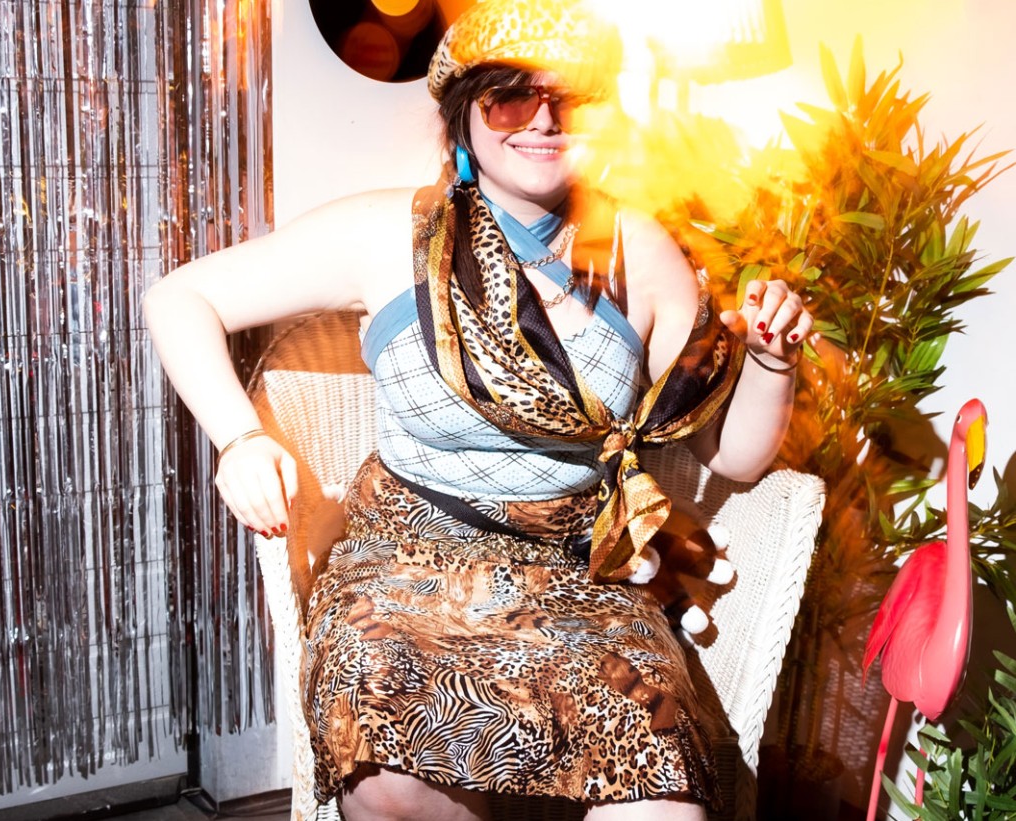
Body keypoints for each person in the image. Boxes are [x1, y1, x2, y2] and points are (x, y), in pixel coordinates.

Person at [144, 1, 813, 818]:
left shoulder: (637, 248)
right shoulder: (387, 232)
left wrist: (771, 360)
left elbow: (733, 458)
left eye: (568, 99)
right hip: (403, 569)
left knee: (663, 798)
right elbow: (179, 298)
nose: (543, 120)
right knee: (394, 785)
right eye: (509, 98)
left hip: (579, 574)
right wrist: (241, 437)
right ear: (463, 112)